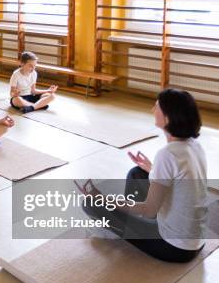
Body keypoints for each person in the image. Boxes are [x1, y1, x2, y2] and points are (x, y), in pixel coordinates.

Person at [80, 89, 207, 263]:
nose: (152, 110)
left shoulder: (167, 154)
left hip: (174, 247)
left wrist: (104, 199)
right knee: (137, 173)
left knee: (90, 203)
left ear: (168, 117)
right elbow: (179, 180)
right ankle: (128, 223)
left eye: (157, 107)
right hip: (196, 240)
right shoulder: (194, 146)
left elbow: (149, 210)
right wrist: (152, 169)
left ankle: (120, 228)